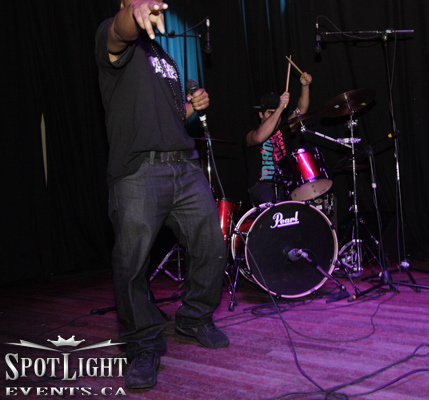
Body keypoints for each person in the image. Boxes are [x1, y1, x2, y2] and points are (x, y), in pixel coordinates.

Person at [95, 0, 228, 389]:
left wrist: (191, 107)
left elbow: (170, 117)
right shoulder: (112, 34)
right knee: (131, 263)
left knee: (212, 243)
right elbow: (119, 32)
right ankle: (143, 344)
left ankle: (194, 318)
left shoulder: (163, 56)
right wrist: (131, 14)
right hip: (139, 171)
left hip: (183, 166)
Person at [245, 72, 313, 205]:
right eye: (270, 113)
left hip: (284, 184)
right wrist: (280, 108)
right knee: (276, 202)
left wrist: (305, 86)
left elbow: (301, 109)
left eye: (277, 113)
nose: (274, 116)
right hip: (261, 186)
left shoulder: (283, 128)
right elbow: (259, 138)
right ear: (260, 114)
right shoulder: (251, 132)